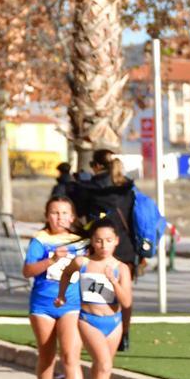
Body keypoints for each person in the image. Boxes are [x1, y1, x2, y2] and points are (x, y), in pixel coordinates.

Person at [53, 219, 132, 379]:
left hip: (113, 323)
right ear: (92, 242)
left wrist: (112, 281)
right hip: (88, 320)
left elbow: (126, 302)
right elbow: (67, 274)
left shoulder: (121, 268)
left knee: (102, 369)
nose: (103, 245)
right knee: (104, 364)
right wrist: (61, 295)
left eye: (108, 240)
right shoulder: (82, 263)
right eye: (98, 240)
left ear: (116, 241)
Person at [22, 196, 87, 379]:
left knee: (70, 355)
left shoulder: (80, 242)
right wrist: (51, 259)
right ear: (46, 215)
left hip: (71, 304)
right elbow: (27, 271)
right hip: (43, 305)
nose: (59, 217)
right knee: (47, 355)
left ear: (72, 216)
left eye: (64, 213)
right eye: (54, 212)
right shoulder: (40, 241)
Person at [68, 149, 138, 352]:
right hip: (124, 246)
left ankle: (91, 328)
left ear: (96, 166)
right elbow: (133, 218)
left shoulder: (92, 188)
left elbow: (79, 212)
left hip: (100, 247)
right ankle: (123, 333)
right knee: (124, 294)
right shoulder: (127, 186)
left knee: (95, 291)